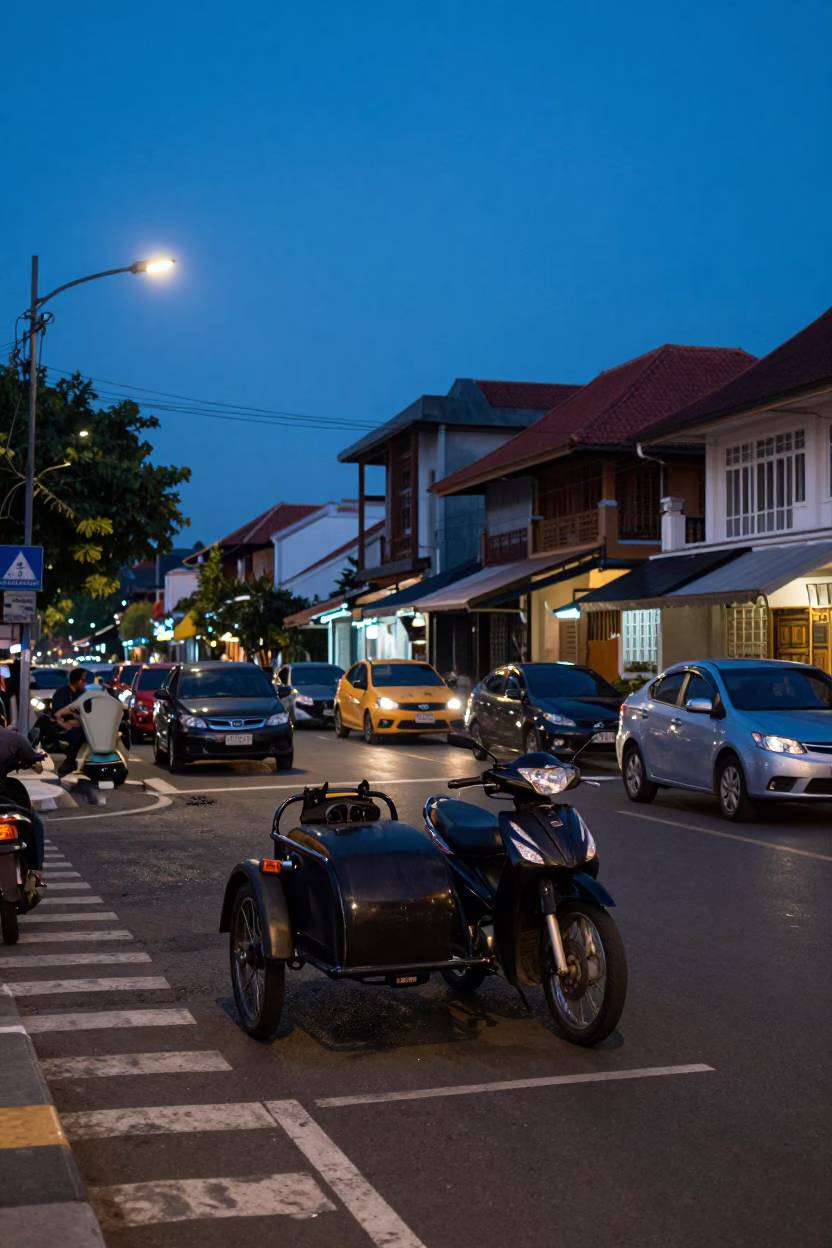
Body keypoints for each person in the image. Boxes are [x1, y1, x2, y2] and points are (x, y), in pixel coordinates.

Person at [0, 725, 46, 874]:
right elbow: (33, 757)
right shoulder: (15, 738)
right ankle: (36, 869)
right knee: (33, 820)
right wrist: (40, 755)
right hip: (3, 791)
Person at [52, 666, 88, 778]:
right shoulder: (63, 693)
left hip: (81, 725)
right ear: (76, 681)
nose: (85, 683)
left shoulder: (82, 694)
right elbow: (59, 716)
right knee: (77, 733)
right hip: (65, 729)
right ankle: (69, 762)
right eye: (83, 680)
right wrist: (70, 723)